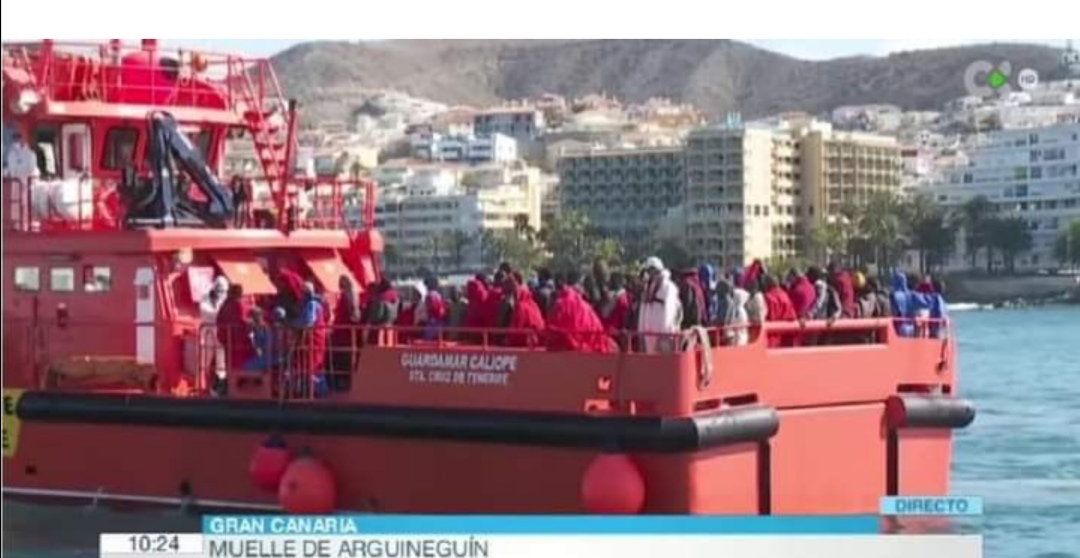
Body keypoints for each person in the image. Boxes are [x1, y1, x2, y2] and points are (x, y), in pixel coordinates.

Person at [546, 271, 615, 353]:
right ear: (578, 285)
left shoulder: (558, 305)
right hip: (586, 350)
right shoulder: (583, 306)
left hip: (561, 351)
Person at [637, 257, 682, 354]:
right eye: (649, 270)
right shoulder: (647, 287)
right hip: (648, 332)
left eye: (653, 269)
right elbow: (643, 309)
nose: (651, 273)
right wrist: (640, 330)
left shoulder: (668, 287)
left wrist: (664, 333)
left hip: (662, 332)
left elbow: (669, 311)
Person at [199, 276, 229, 394]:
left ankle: (220, 385)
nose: (220, 293)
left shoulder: (225, 299)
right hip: (208, 333)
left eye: (223, 291)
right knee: (205, 360)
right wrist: (219, 313)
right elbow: (205, 313)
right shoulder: (205, 298)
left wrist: (220, 314)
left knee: (221, 361)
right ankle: (202, 384)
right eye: (219, 290)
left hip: (220, 334)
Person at [216, 284, 254, 372]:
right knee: (240, 361)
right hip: (238, 339)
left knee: (230, 361)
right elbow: (242, 320)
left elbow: (219, 319)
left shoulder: (225, 305)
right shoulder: (238, 305)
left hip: (227, 338)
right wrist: (251, 323)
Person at [503, 274, 546, 347]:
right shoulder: (534, 304)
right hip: (538, 341)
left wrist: (507, 340)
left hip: (527, 343)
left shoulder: (520, 306)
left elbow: (516, 329)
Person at [330, 275, 361, 376]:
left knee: (340, 354)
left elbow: (341, 313)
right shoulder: (355, 294)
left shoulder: (345, 296)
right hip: (350, 330)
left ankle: (341, 376)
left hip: (342, 330)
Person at [889, 271, 917, 337]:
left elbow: (893, 311)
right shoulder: (912, 294)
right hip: (911, 326)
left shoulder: (894, 295)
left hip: (900, 326)